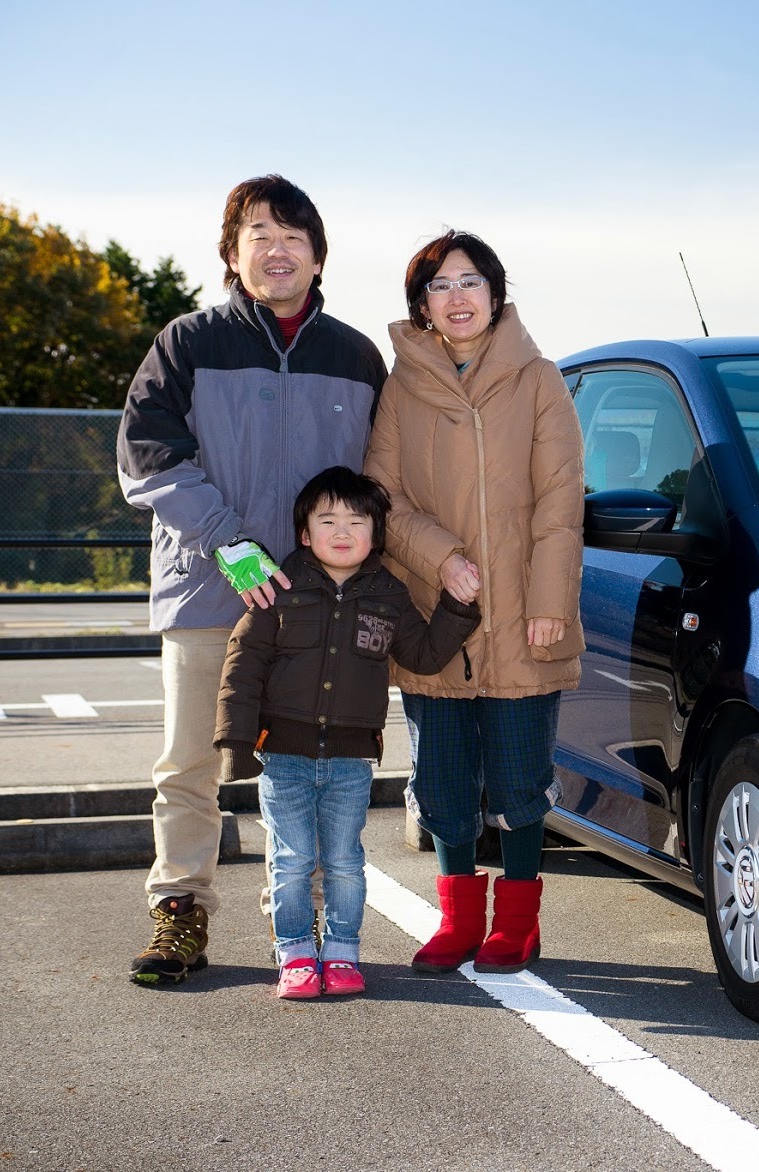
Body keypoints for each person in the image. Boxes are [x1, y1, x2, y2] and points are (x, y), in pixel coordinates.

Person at [117, 175, 387, 986]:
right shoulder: (188, 343)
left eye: (294, 236)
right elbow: (148, 456)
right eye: (260, 234)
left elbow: (380, 481)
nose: (278, 249)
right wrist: (227, 542)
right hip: (210, 590)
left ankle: (300, 933)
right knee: (190, 763)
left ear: (318, 254)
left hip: (318, 606)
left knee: (308, 770)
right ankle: (181, 912)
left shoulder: (357, 357)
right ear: (233, 253)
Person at [364, 230, 584, 974]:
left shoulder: (539, 380)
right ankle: (459, 921)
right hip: (436, 614)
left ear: (494, 294)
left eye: (470, 282)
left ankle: (518, 923)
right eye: (440, 286)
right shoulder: (401, 386)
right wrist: (442, 555)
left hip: (526, 612)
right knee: (444, 778)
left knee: (521, 779)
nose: (456, 297)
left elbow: (560, 502)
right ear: (421, 305)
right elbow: (382, 498)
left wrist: (549, 597)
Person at [216, 466, 479, 998]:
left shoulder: (390, 595)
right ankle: (293, 954)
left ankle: (340, 954)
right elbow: (243, 665)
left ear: (375, 535)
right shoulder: (279, 590)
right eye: (327, 519)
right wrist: (236, 742)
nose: (342, 531)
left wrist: (457, 607)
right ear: (304, 534)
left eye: (357, 521)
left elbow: (424, 656)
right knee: (289, 861)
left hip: (350, 761)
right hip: (283, 755)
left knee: (343, 861)